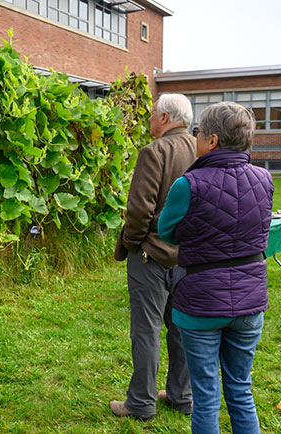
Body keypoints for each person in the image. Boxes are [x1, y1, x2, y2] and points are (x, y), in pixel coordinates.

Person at [157, 101, 273, 434]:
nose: (195, 138)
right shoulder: (265, 180)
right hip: (250, 301)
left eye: (198, 133)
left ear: (212, 141)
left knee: (206, 396)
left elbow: (167, 231)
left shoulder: (188, 184)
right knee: (241, 389)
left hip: (201, 301)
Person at [111, 94, 195, 420]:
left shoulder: (154, 152)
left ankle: (141, 403)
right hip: (188, 258)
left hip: (152, 255)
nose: (149, 121)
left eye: (152, 115)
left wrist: (132, 244)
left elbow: (139, 210)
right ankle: (181, 396)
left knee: (146, 331)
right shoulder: (202, 152)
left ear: (164, 118)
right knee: (181, 329)